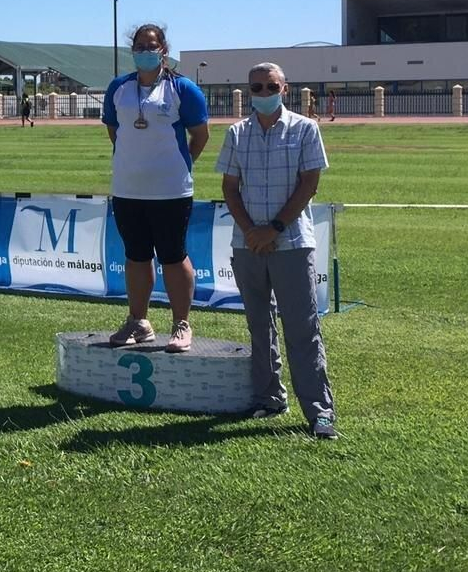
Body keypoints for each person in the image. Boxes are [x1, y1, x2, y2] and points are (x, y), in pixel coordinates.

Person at [215, 61, 337, 439]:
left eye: (271, 87)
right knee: (259, 327)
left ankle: (320, 411)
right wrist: (252, 231)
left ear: (284, 89)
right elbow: (230, 188)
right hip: (247, 244)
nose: (263, 94)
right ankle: (269, 397)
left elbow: (309, 184)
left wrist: (275, 229)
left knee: (302, 328)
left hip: (292, 243)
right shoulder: (237, 133)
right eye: (256, 88)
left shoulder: (305, 129)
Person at [101, 24, 209, 351]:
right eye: (139, 45)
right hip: (128, 189)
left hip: (171, 191)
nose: (145, 51)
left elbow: (200, 136)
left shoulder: (183, 88)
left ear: (163, 49)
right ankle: (139, 321)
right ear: (132, 50)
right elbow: (114, 131)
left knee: (173, 256)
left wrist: (180, 165)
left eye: (152, 45)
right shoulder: (119, 88)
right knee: (135, 257)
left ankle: (181, 324)